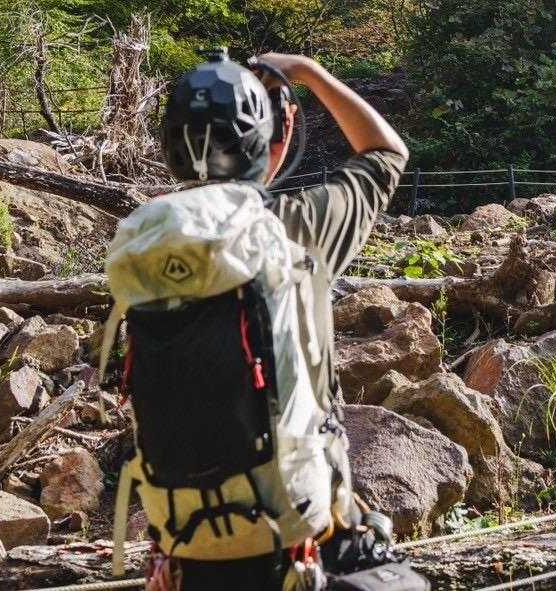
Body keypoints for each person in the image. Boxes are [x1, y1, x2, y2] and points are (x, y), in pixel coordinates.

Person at [125, 48, 409, 591]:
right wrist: (308, 72)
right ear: (276, 137)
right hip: (293, 543)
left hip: (188, 542)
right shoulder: (296, 230)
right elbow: (386, 153)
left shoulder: (146, 249)